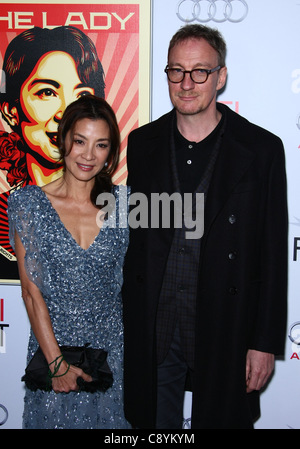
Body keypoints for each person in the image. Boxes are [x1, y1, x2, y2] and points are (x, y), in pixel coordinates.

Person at [122, 24, 288, 429]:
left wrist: (263, 344)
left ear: (221, 76)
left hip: (224, 323)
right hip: (157, 327)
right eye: (176, 71)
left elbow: (273, 255)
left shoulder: (261, 149)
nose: (187, 83)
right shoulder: (142, 143)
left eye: (200, 71)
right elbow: (137, 240)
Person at [8, 95, 130, 429]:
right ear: (64, 141)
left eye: (101, 145)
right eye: (80, 141)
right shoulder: (28, 203)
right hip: (54, 355)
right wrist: (56, 364)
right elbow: (31, 292)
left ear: (110, 152)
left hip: (112, 359)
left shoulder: (127, 204)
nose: (88, 155)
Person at [0, 26, 105, 278]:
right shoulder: (8, 213)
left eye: (80, 95)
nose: (65, 113)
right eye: (47, 92)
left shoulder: (119, 210)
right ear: (10, 111)